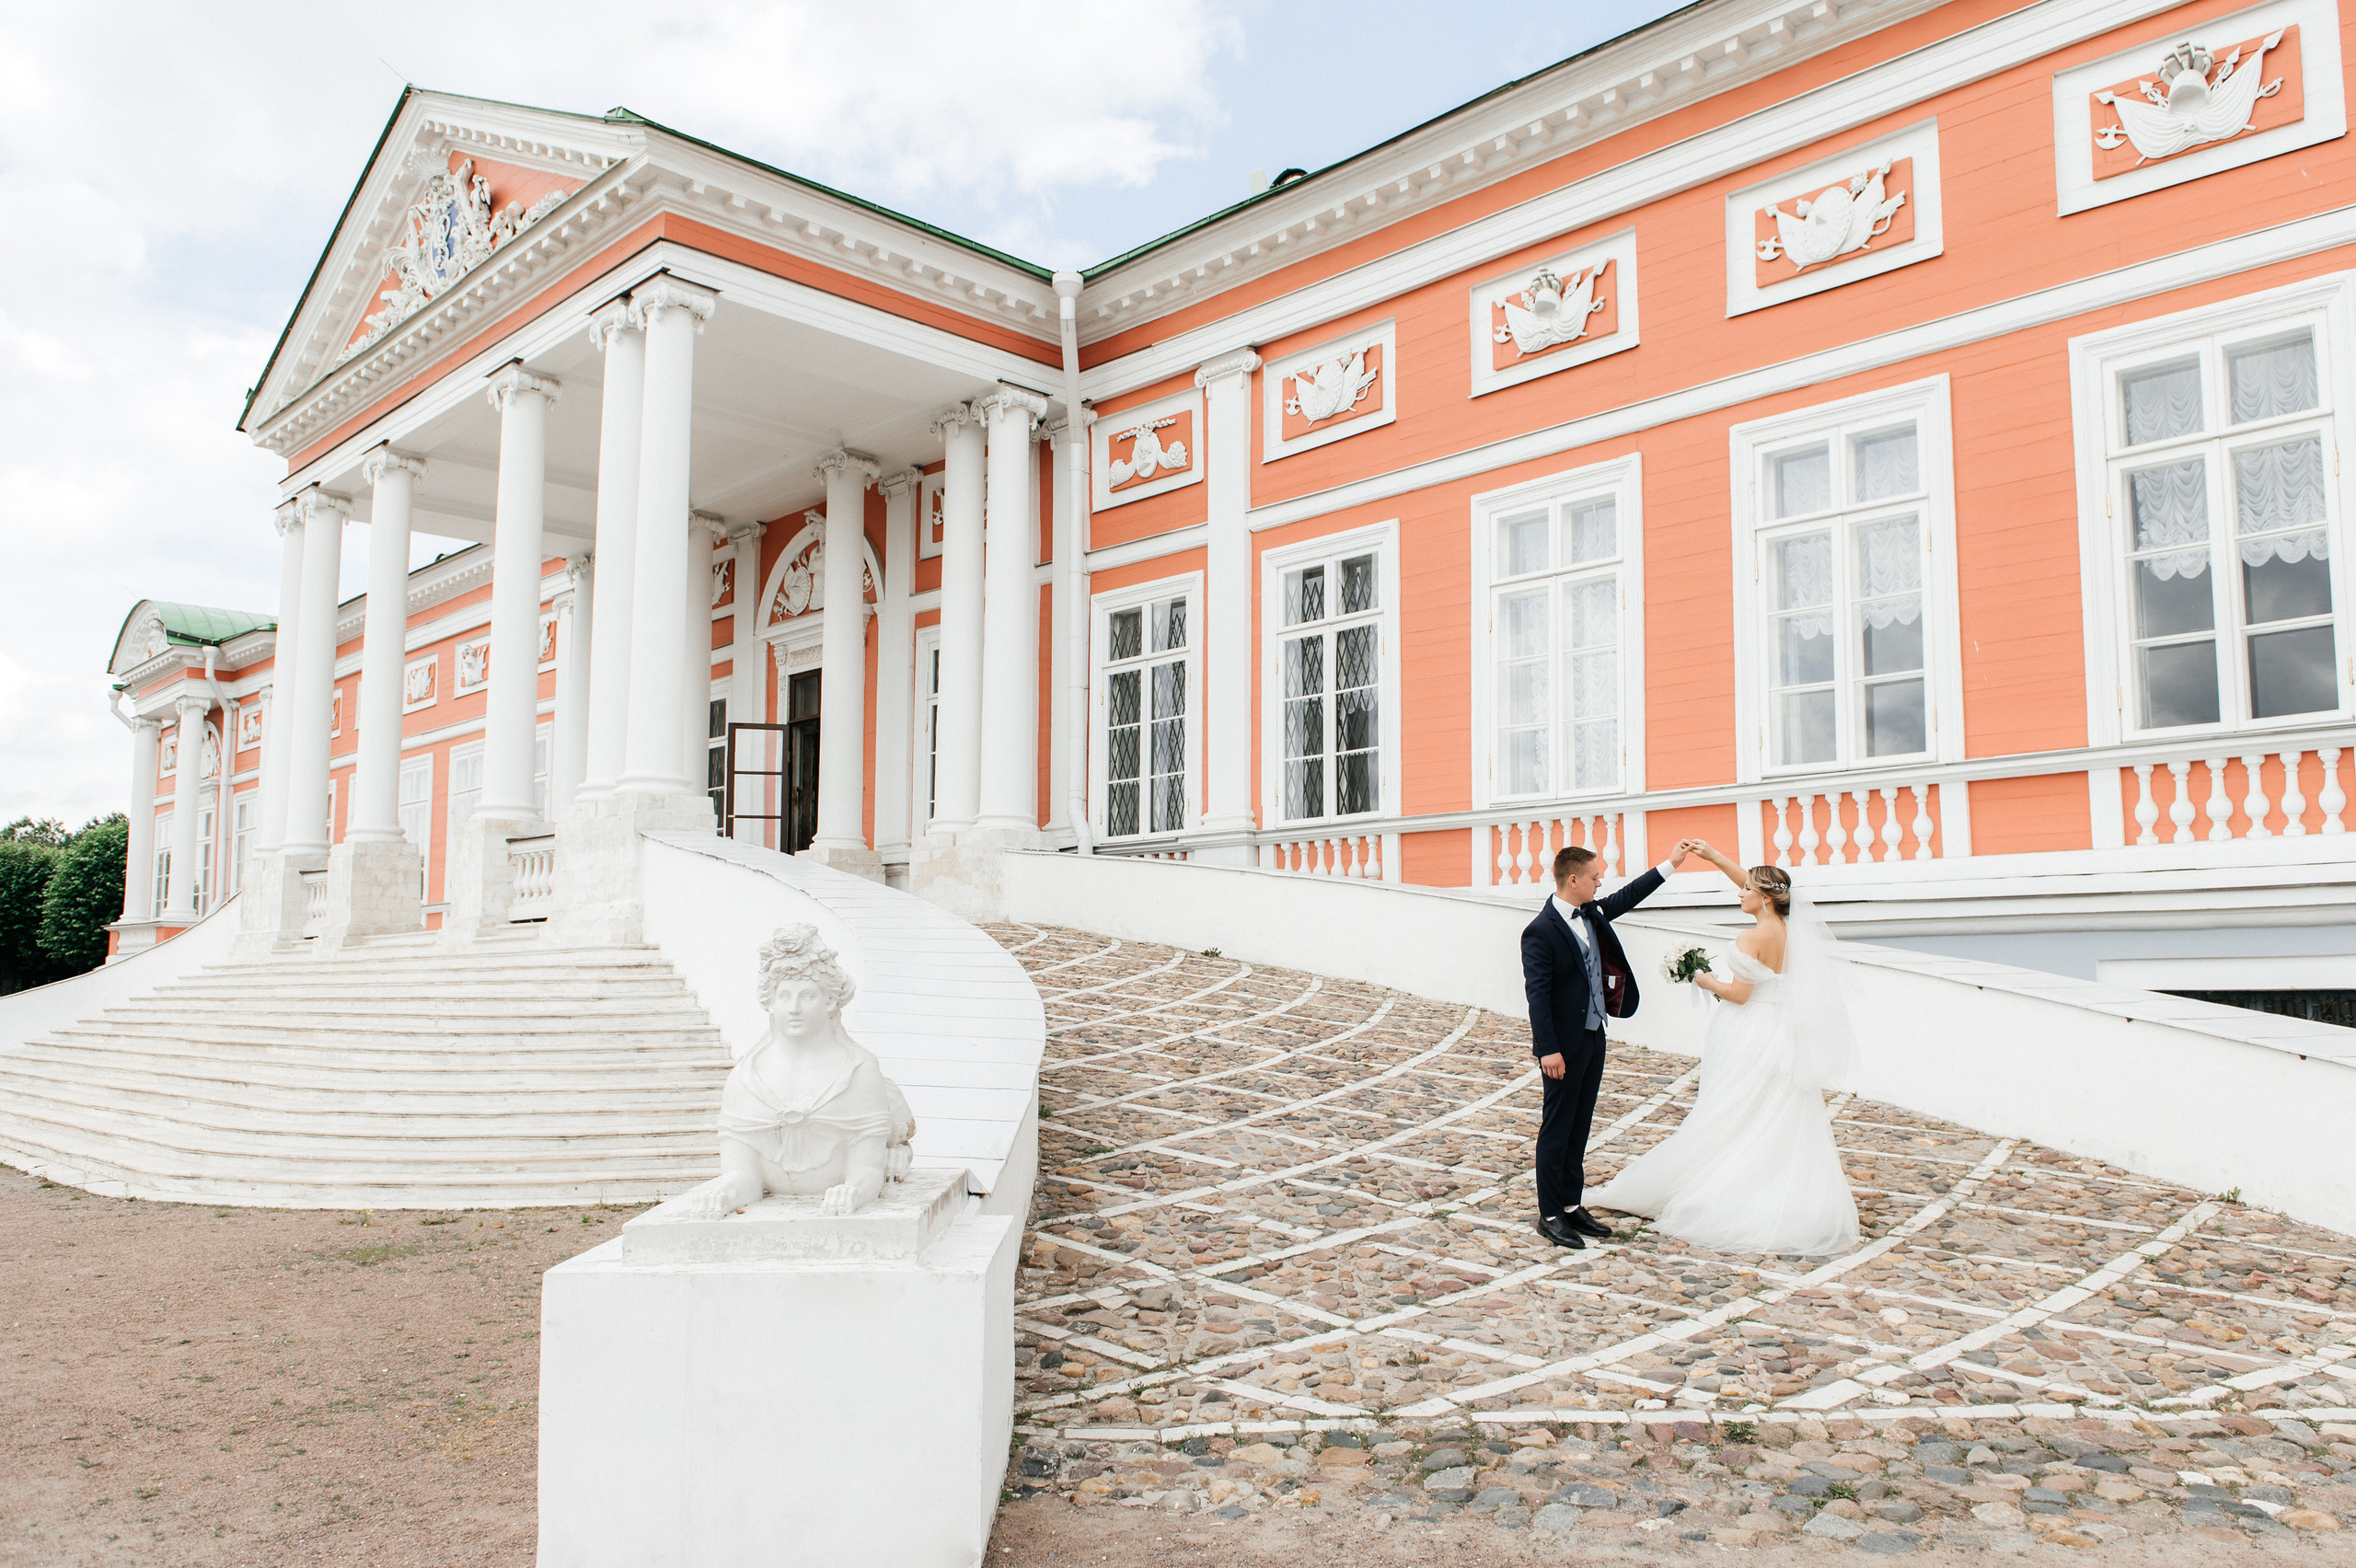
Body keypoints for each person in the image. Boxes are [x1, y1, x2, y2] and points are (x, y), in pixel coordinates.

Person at [1584, 842, 1861, 1257]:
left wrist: (1702, 979)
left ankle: (1717, 1188)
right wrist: (1713, 857)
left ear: (1763, 898)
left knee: (1726, 1108)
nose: (1739, 892)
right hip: (1779, 1030)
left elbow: (1740, 994)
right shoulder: (1786, 927)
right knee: (1768, 1110)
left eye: (1746, 889)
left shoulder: (1752, 937)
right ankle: (1773, 1186)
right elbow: (1754, 889)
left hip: (1748, 1031)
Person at [1522, 838, 1693, 1251]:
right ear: (1574, 879)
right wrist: (1548, 1049)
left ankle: (1571, 1204)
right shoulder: (1539, 932)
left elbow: (1628, 895)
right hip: (1561, 1046)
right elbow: (1538, 995)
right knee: (1557, 1127)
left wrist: (1670, 862)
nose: (1602, 882)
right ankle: (1549, 1214)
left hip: (1593, 1036)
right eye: (1595, 877)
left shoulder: (1592, 912)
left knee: (1581, 1125)